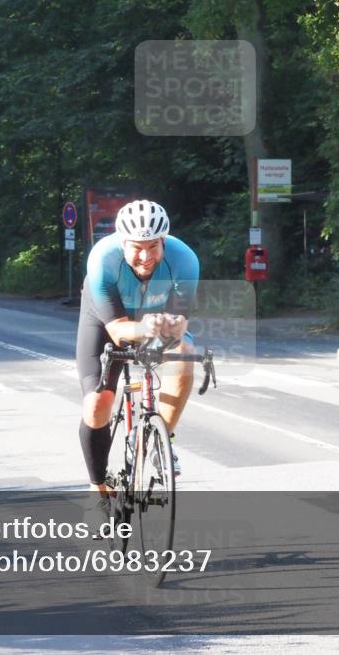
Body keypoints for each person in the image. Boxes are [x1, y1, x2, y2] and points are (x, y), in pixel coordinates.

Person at [77, 200, 199, 524]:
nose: (145, 257)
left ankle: (160, 442)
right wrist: (146, 328)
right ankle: (97, 488)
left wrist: (167, 331)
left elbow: (180, 323)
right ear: (122, 243)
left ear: (164, 241)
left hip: (153, 319)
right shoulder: (103, 260)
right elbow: (117, 331)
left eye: (153, 247)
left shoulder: (185, 260)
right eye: (136, 248)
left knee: (184, 353)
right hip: (107, 321)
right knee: (97, 402)